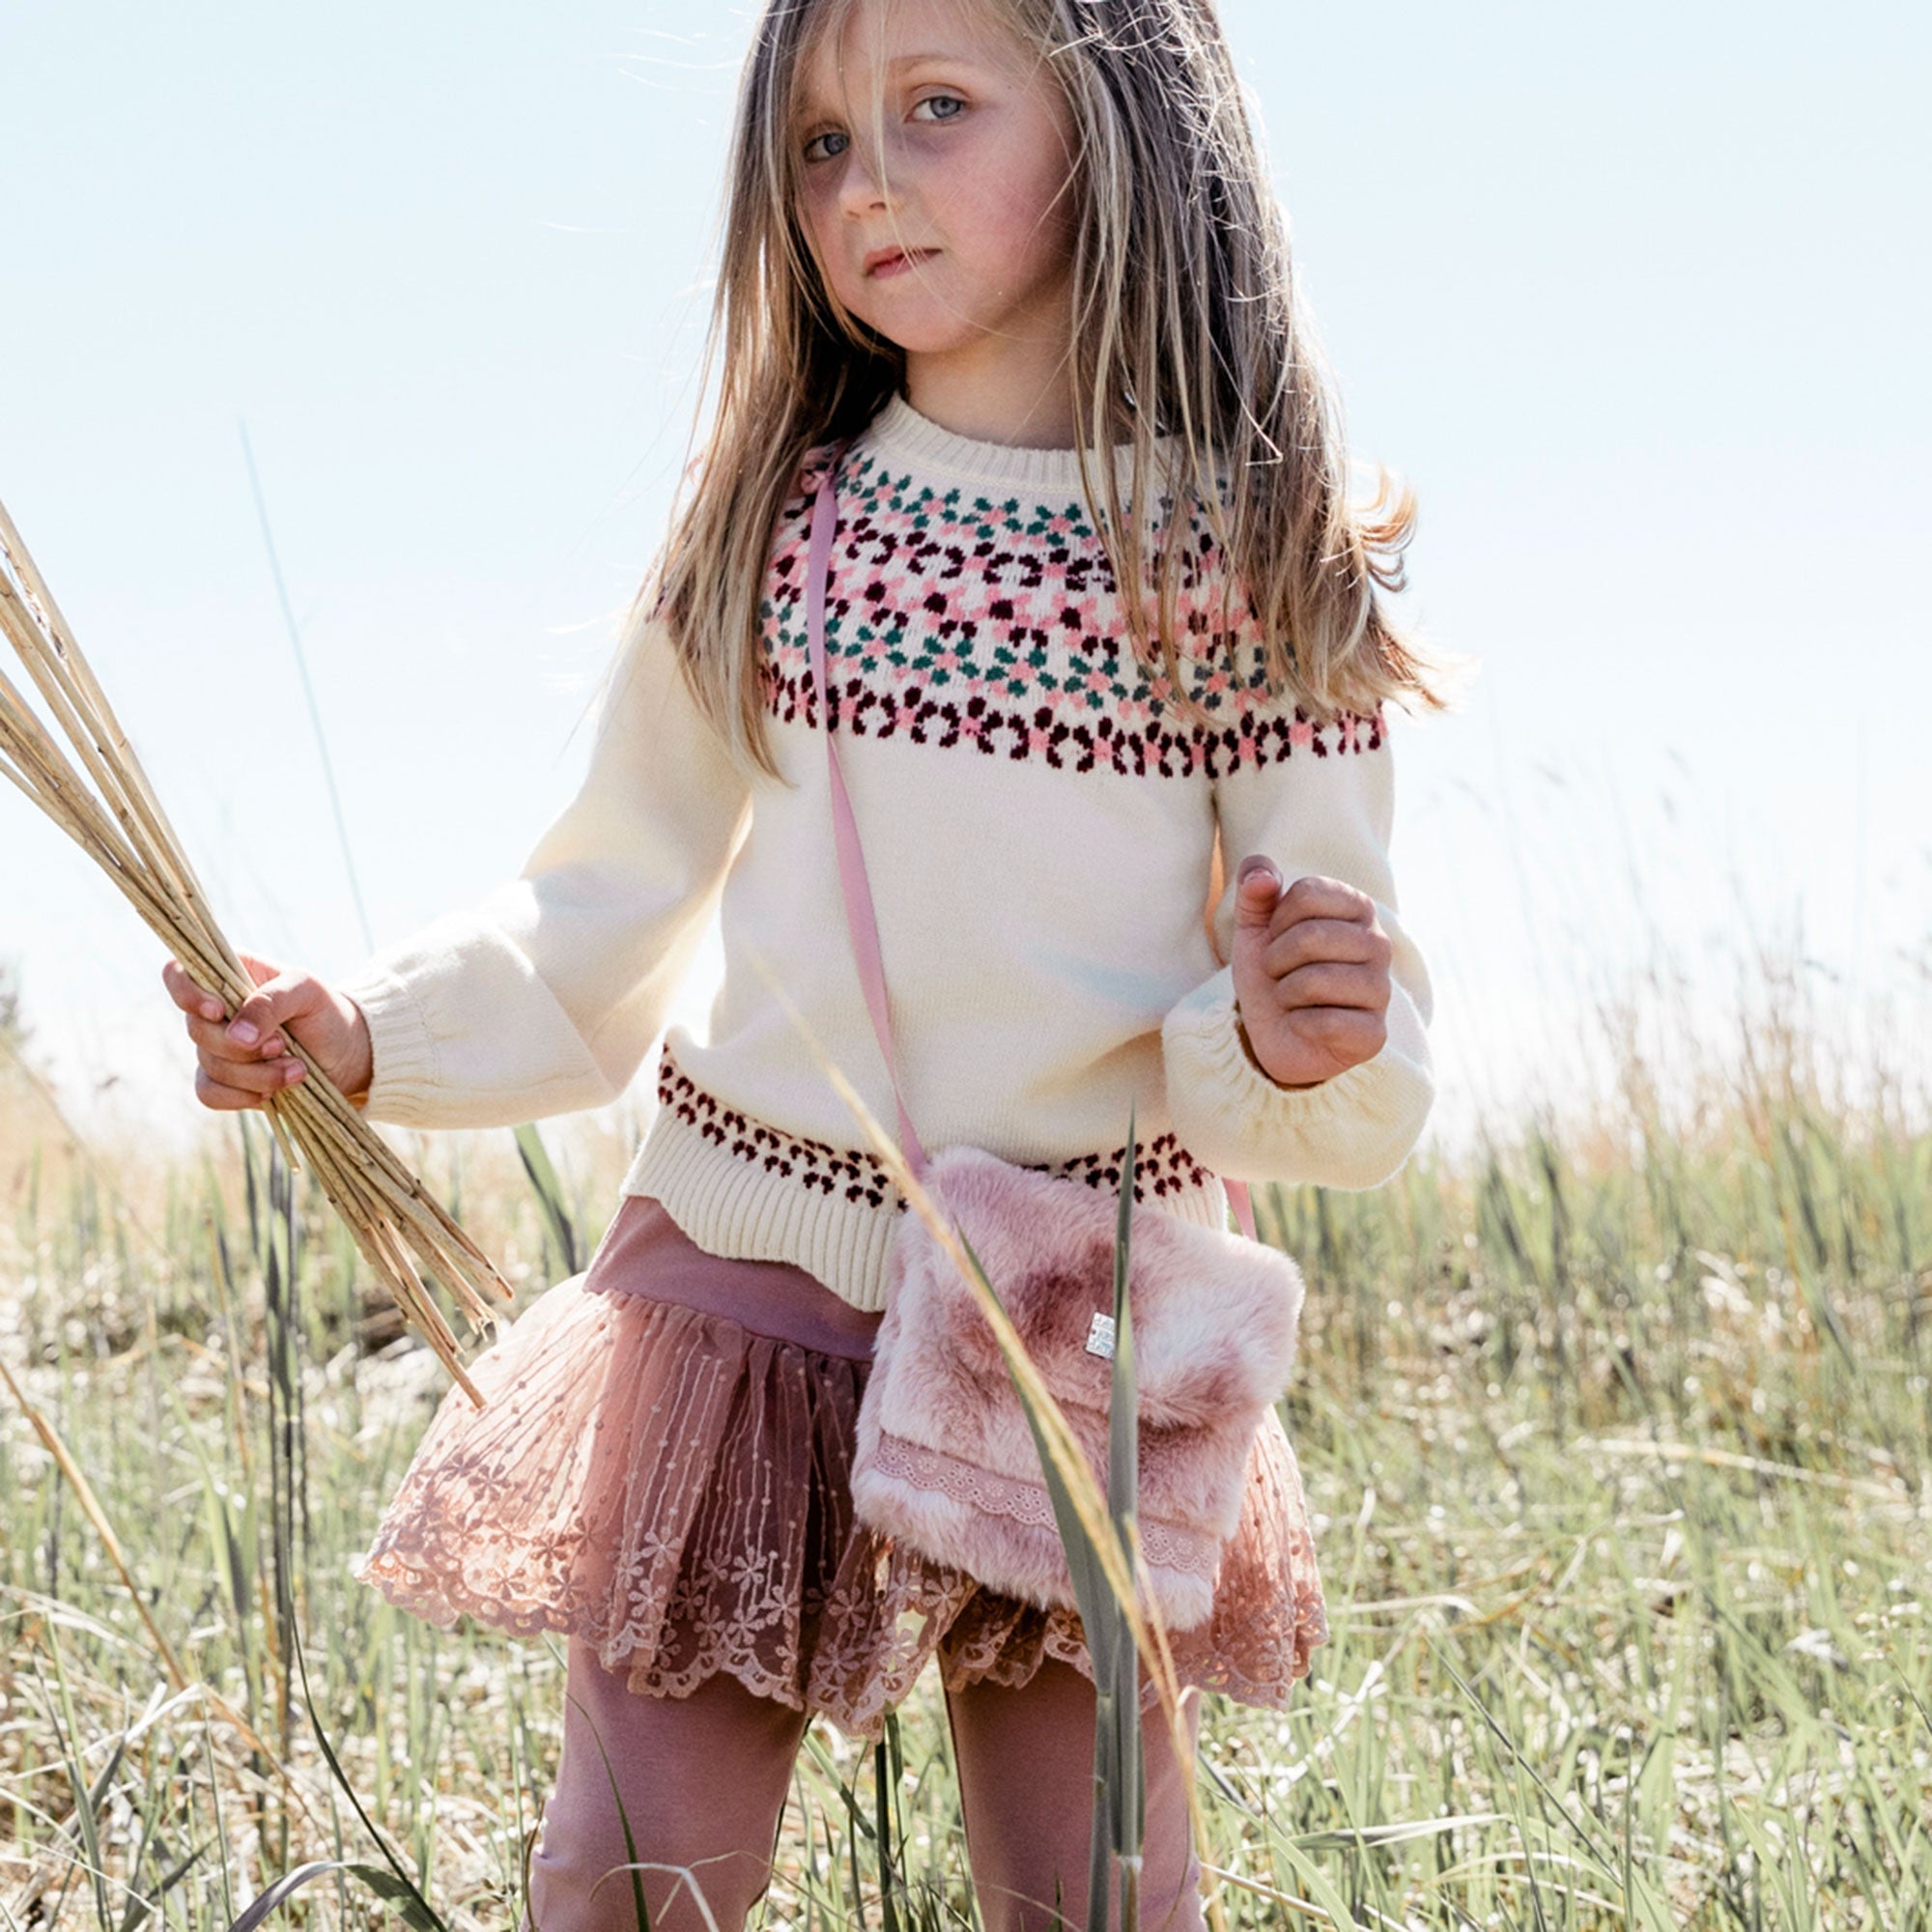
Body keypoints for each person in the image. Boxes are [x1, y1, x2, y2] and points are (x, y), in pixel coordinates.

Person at [163, 0, 1449, 1923]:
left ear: (1115, 119)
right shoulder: (775, 531)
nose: (865, 181)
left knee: (1100, 1893)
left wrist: (1286, 1038)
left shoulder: (1252, 571)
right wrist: (364, 1029)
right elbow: (596, 927)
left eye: (936, 108)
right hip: (743, 1289)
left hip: (1078, 1320)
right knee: (627, 1880)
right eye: (825, 142)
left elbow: (1343, 1061)